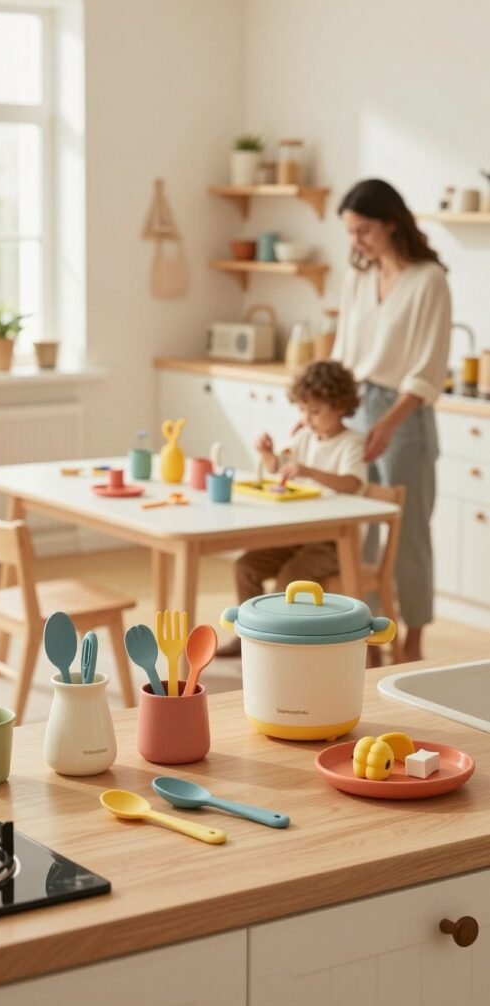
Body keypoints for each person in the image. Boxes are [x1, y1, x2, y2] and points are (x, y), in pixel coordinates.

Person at [332, 178, 451, 663]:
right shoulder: (358, 278)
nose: (356, 241)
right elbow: (343, 351)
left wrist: (388, 422)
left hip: (406, 415)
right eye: (351, 232)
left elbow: (429, 368)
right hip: (356, 403)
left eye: (363, 230)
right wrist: (321, 409)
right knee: (359, 530)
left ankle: (414, 638)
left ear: (391, 223)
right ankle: (373, 633)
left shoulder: (428, 280)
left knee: (408, 536)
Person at [218, 360, 367, 657]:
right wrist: (268, 456)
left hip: (332, 543)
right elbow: (282, 468)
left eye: (315, 411)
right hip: (297, 536)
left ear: (340, 406)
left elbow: (352, 483)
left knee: (291, 579)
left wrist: (309, 471)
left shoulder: (351, 443)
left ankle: (282, 647)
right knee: (245, 566)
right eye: (302, 410)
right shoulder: (304, 437)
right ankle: (248, 636)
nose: (307, 418)